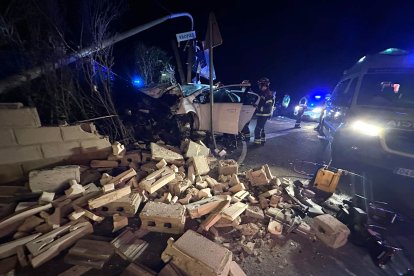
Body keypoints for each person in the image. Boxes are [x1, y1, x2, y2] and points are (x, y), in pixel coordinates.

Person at [253, 77, 275, 145]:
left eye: (260, 85)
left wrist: (259, 108)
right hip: (261, 114)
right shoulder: (263, 93)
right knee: (261, 128)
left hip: (264, 114)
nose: (259, 86)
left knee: (257, 129)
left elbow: (268, 106)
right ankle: (262, 140)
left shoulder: (268, 94)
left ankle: (257, 143)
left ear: (264, 85)